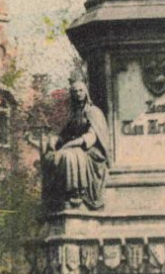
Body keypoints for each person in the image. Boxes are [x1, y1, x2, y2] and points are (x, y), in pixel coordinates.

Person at [40, 73, 111, 212]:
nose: (78, 94)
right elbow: (64, 135)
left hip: (93, 152)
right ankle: (56, 201)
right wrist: (54, 140)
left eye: (80, 90)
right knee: (51, 157)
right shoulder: (74, 115)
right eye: (74, 91)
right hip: (76, 147)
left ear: (86, 92)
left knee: (68, 156)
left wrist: (69, 145)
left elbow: (90, 138)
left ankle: (76, 197)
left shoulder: (94, 112)